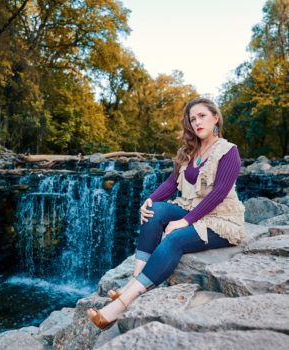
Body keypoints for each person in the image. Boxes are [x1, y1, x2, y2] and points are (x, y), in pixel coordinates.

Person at [87, 97, 245, 330]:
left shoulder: (229, 152)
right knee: (154, 210)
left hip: (221, 219)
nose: (197, 122)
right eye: (192, 119)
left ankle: (121, 304)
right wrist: (149, 200)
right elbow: (172, 184)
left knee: (174, 238)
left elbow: (219, 193)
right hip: (193, 208)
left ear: (215, 118)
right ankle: (134, 281)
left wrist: (184, 221)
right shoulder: (189, 150)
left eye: (202, 116)